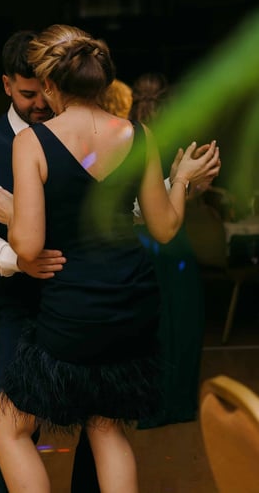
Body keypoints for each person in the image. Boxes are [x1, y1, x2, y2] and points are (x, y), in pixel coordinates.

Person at [0, 23, 220, 492]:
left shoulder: (32, 142)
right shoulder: (137, 134)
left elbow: (28, 248)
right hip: (131, 302)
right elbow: (165, 228)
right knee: (107, 427)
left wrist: (13, 213)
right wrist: (182, 180)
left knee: (6, 428)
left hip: (72, 308)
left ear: (49, 85)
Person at [0, 29, 99, 493]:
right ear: (5, 85)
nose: (40, 103)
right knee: (13, 424)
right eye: (27, 93)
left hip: (84, 296)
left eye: (46, 91)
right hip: (24, 303)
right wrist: (22, 261)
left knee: (97, 421)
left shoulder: (81, 134)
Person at [129, 71, 214, 427]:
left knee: (147, 324)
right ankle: (177, 404)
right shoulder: (175, 135)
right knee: (183, 322)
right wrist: (192, 187)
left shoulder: (125, 136)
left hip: (137, 242)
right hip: (171, 238)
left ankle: (145, 405)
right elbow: (181, 198)